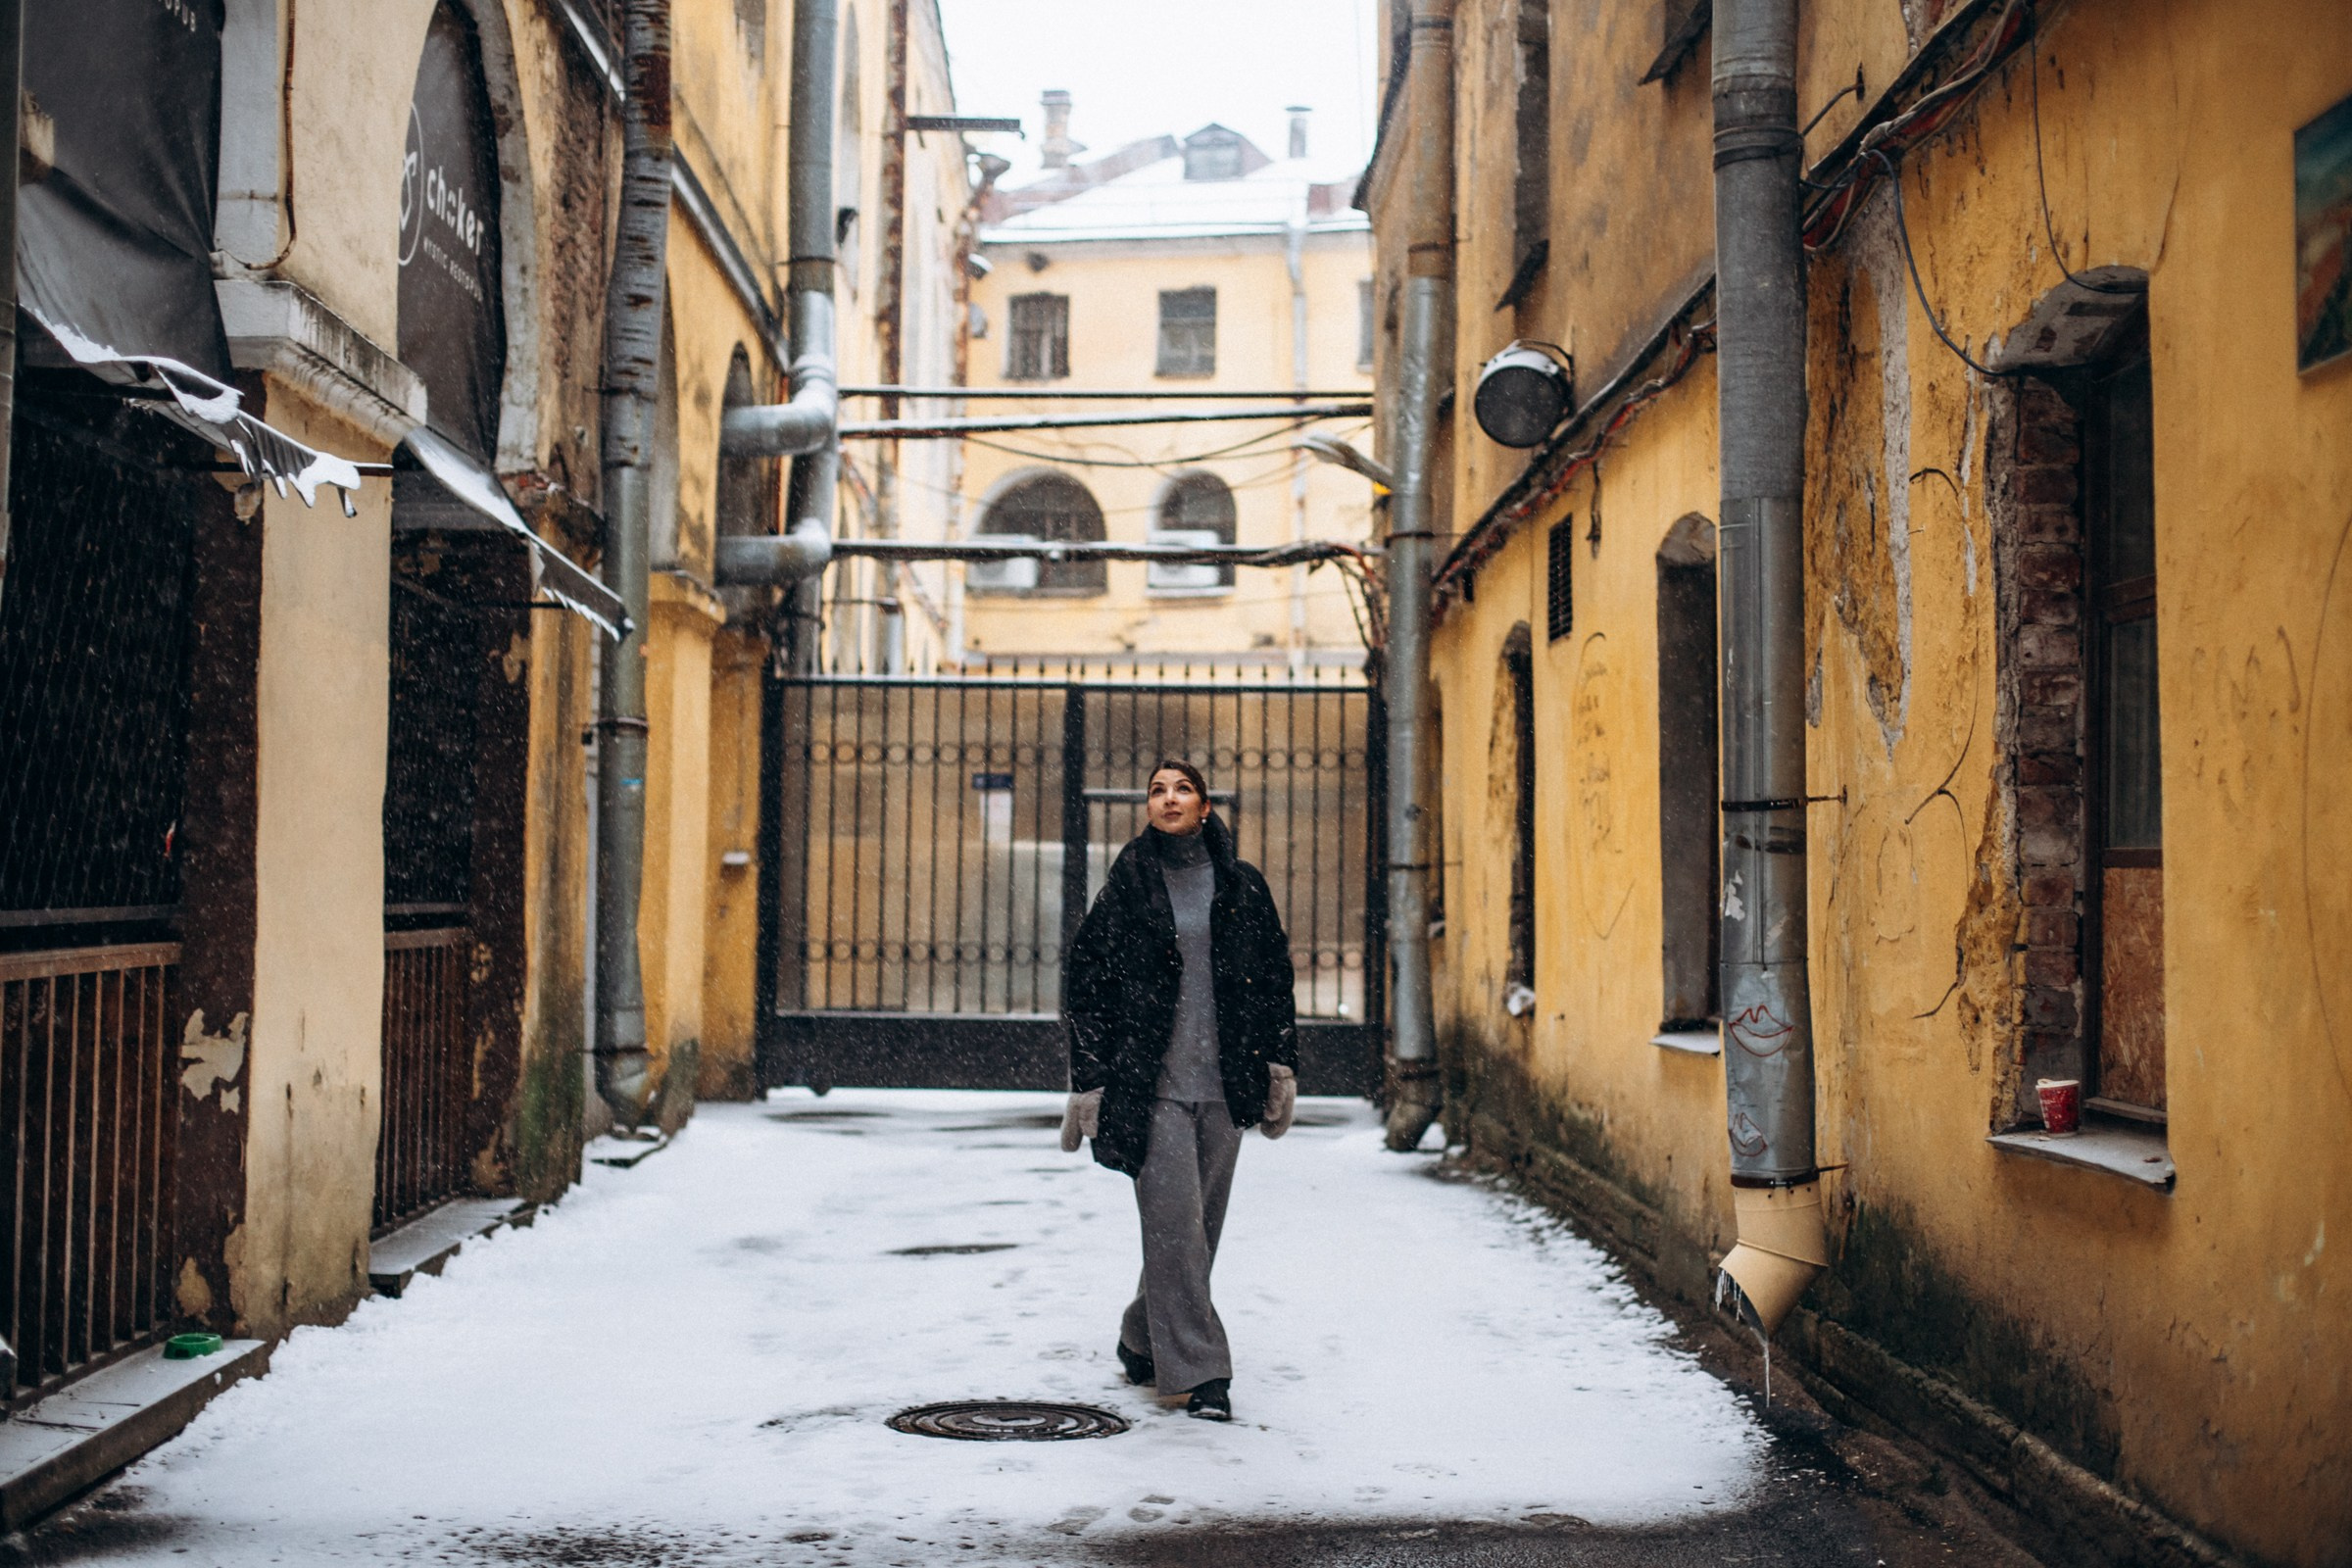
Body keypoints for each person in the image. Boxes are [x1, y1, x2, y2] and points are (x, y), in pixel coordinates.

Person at [1058, 757, 1298, 1422]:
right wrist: (1092, 1080)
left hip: (1227, 1082)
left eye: (1183, 789)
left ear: (1204, 806)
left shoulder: (1242, 885)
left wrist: (1279, 1064)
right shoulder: (1129, 883)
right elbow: (1087, 983)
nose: (1169, 799)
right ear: (1147, 808)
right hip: (1150, 1086)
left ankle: (1141, 1334)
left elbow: (1273, 978)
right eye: (1158, 791)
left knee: (1199, 1231)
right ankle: (1202, 1374)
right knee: (1174, 1231)